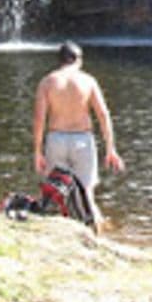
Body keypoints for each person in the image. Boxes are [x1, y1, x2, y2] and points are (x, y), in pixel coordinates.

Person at [32, 41, 124, 223]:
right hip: (83, 140)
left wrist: (37, 152)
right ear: (78, 60)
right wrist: (110, 149)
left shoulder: (47, 82)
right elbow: (103, 115)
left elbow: (39, 119)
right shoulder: (88, 81)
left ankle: (61, 231)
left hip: (56, 139)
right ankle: (94, 234)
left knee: (56, 192)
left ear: (59, 60)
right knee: (87, 193)